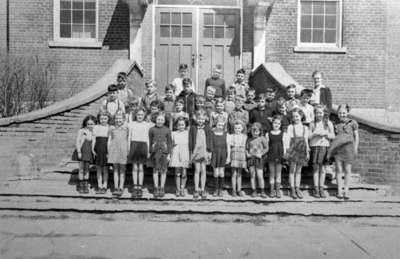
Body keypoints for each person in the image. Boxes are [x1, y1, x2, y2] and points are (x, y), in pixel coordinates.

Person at [330, 104, 359, 200]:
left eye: (344, 113)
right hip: (339, 149)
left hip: (349, 148)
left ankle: (346, 190)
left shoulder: (352, 123)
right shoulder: (336, 125)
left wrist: (355, 147)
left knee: (347, 170)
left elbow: (356, 136)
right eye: (340, 113)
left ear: (347, 113)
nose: (342, 114)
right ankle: (339, 190)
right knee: (338, 169)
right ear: (337, 114)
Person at [309, 105, 335, 198]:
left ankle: (321, 188)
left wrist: (326, 134)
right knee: (316, 168)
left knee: (323, 169)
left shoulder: (328, 123)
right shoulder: (312, 123)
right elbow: (308, 137)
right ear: (314, 114)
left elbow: (333, 136)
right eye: (317, 113)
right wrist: (315, 133)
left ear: (324, 113)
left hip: (324, 146)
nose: (319, 114)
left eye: (320, 112)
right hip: (315, 146)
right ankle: (316, 188)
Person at [127, 107, 154, 198]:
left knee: (141, 167)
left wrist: (149, 150)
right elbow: (129, 137)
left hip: (143, 145)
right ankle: (135, 186)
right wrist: (128, 148)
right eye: (138, 114)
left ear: (144, 116)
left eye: (142, 115)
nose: (140, 116)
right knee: (135, 167)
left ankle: (140, 186)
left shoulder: (147, 124)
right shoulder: (131, 124)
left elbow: (148, 138)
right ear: (135, 115)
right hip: (134, 145)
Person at [285, 108, 310, 199]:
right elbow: (287, 139)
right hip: (293, 149)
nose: (296, 118)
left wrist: (307, 152)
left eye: (297, 116)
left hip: (302, 150)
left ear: (301, 116)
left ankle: (297, 188)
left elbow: (306, 140)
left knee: (299, 170)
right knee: (292, 170)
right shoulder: (291, 127)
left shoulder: (305, 128)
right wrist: (288, 152)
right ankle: (292, 188)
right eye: (294, 116)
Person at [148, 112, 172, 198]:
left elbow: (169, 143)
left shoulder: (167, 130)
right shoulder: (151, 129)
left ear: (164, 120)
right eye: (158, 119)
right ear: (155, 119)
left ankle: (162, 187)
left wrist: (169, 154)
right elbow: (150, 141)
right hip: (155, 153)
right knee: (155, 170)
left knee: (163, 170)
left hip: (164, 153)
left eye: (162, 120)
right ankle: (156, 187)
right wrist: (150, 151)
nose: (160, 121)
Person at [189, 110, 212, 199]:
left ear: (205, 119)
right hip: (196, 151)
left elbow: (210, 140)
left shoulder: (207, 127)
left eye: (202, 119)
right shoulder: (193, 128)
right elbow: (190, 140)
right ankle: (196, 189)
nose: (201, 121)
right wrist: (191, 151)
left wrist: (210, 151)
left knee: (203, 170)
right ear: (196, 119)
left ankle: (202, 189)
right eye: (199, 119)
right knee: (197, 170)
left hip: (204, 151)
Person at [73, 115, 96, 194]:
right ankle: (80, 185)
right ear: (85, 124)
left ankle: (85, 185)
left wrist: (93, 151)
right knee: (81, 168)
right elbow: (77, 141)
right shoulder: (82, 131)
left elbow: (93, 143)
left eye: (92, 124)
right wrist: (79, 152)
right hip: (82, 151)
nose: (90, 125)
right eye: (88, 124)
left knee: (87, 169)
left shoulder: (93, 132)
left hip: (88, 152)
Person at [108, 112, 129, 196]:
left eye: (120, 118)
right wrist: (108, 150)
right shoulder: (112, 128)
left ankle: (121, 187)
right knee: (115, 169)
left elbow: (128, 140)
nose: (118, 120)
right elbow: (109, 139)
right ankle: (116, 187)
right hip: (114, 149)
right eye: (116, 118)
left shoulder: (126, 128)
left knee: (122, 170)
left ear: (123, 119)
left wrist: (128, 150)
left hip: (123, 149)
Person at [246, 122, 268, 198]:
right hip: (251, 159)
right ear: (251, 131)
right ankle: (254, 191)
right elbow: (246, 149)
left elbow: (266, 148)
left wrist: (261, 154)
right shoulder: (249, 139)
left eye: (257, 131)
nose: (255, 133)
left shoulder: (262, 138)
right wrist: (247, 154)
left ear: (260, 131)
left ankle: (262, 191)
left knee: (260, 175)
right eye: (253, 131)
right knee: (252, 175)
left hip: (259, 159)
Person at [265, 115, 285, 198]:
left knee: (278, 173)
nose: (276, 125)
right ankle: (272, 190)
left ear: (280, 125)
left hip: (279, 155)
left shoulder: (283, 133)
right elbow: (266, 146)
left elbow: (284, 145)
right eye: (275, 123)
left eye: (278, 123)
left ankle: (277, 190)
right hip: (271, 155)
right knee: (272, 173)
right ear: (272, 123)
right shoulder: (268, 134)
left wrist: (284, 155)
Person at [170, 117, 190, 197]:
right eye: (179, 125)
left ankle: (182, 188)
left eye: (182, 125)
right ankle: (178, 189)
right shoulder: (174, 133)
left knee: (184, 173)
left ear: (185, 125)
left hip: (185, 152)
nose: (181, 126)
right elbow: (171, 144)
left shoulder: (187, 133)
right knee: (177, 173)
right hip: (176, 152)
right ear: (176, 125)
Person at [227, 120, 248, 197]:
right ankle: (233, 190)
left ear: (242, 128)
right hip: (234, 154)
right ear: (233, 129)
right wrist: (228, 157)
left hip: (241, 155)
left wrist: (245, 158)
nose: (237, 130)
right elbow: (229, 147)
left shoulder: (244, 137)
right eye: (236, 128)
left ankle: (239, 189)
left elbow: (246, 148)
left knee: (239, 173)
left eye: (239, 128)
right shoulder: (231, 136)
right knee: (234, 173)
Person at [92, 111, 110, 194]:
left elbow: (110, 141)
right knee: (98, 168)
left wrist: (109, 151)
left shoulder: (109, 128)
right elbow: (94, 139)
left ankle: (105, 185)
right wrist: (92, 149)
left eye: (105, 119)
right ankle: (99, 185)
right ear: (99, 119)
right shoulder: (96, 127)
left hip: (106, 149)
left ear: (108, 119)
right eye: (102, 118)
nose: (103, 120)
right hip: (98, 149)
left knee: (106, 168)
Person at [210, 119, 229, 197]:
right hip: (215, 153)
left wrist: (228, 157)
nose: (220, 126)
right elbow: (211, 145)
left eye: (222, 125)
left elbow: (228, 146)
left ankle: (221, 189)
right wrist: (210, 154)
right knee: (216, 172)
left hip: (223, 153)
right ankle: (216, 189)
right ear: (216, 125)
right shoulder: (212, 134)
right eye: (219, 125)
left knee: (221, 172)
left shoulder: (225, 134)